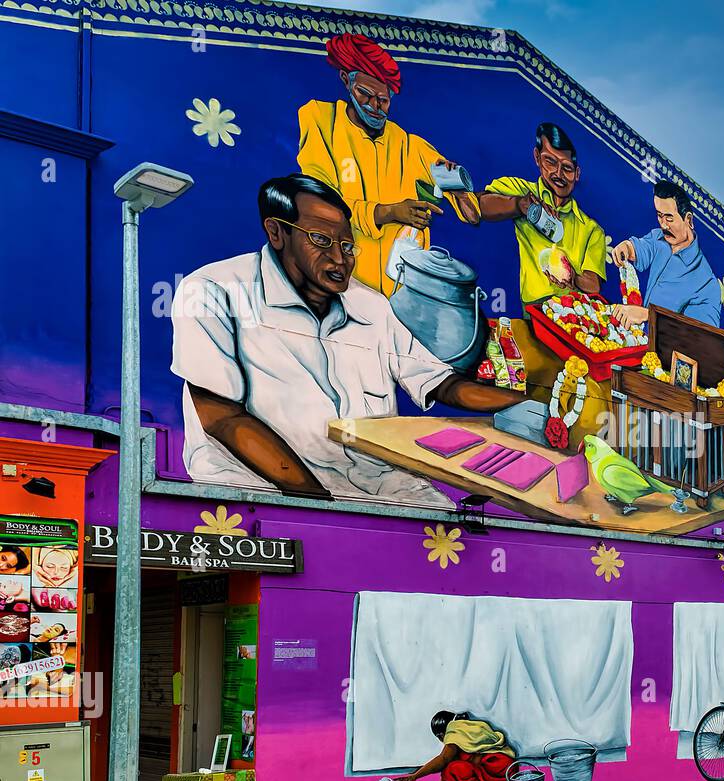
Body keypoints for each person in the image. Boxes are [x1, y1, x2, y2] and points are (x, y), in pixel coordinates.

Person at [170, 173, 529, 508]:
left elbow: (439, 382)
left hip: (370, 481)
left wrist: (524, 405)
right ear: (277, 232)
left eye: (348, 246)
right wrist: (324, 509)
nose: (340, 259)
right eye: (322, 241)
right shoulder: (212, 292)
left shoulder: (371, 305)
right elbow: (222, 417)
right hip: (259, 488)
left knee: (450, 534)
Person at [297, 33, 481, 296]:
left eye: (383, 100)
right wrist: (390, 212)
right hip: (346, 287)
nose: (374, 106)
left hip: (401, 291)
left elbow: (472, 215)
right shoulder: (321, 121)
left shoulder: (408, 144)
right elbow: (321, 205)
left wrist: (458, 191)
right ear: (346, 82)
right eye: (365, 94)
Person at [477, 122, 608, 306]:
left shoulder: (592, 229)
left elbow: (593, 285)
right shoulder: (521, 190)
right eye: (550, 162)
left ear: (577, 173)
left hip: (574, 315)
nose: (558, 174)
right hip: (534, 311)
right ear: (537, 158)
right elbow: (480, 205)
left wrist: (572, 277)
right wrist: (519, 205)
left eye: (568, 168)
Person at [610, 180, 721, 328]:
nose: (663, 225)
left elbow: (700, 336)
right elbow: (642, 248)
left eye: (669, 218)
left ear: (688, 219)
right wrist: (627, 247)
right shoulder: (659, 239)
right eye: (659, 216)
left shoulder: (706, 284)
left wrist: (647, 315)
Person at [395, 710, 516, 781]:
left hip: (497, 770)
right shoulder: (470, 727)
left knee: (449, 773)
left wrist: (414, 776)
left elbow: (443, 759)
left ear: (441, 735)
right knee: (459, 761)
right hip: (509, 771)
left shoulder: (454, 731)